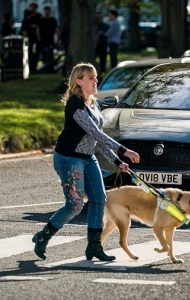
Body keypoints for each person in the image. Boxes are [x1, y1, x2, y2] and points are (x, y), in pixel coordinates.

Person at [32, 62, 140, 261]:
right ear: (79, 81)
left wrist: (117, 162)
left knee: (100, 199)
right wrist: (124, 151)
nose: (96, 81)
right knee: (74, 205)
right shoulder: (75, 104)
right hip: (69, 158)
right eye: (91, 78)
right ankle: (43, 236)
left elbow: (96, 141)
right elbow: (95, 133)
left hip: (88, 158)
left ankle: (94, 247)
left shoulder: (93, 103)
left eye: (96, 77)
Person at [37, 6, 59, 72]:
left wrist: (58, 38)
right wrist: (39, 39)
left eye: (48, 10)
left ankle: (50, 68)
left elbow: (57, 30)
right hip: (43, 40)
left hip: (50, 40)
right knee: (44, 54)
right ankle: (45, 68)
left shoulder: (53, 20)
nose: (47, 12)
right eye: (46, 10)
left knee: (50, 54)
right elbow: (38, 30)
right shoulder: (41, 20)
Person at [22, 3, 42, 73]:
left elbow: (39, 25)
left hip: (36, 36)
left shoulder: (39, 16)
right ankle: (29, 65)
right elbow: (25, 24)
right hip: (28, 36)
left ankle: (34, 65)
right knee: (28, 51)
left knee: (36, 52)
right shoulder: (27, 14)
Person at [95, 11, 110, 76]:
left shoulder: (106, 26)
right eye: (98, 17)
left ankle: (102, 74)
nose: (99, 18)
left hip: (103, 46)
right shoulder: (94, 26)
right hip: (95, 46)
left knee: (103, 61)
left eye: (101, 17)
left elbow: (108, 35)